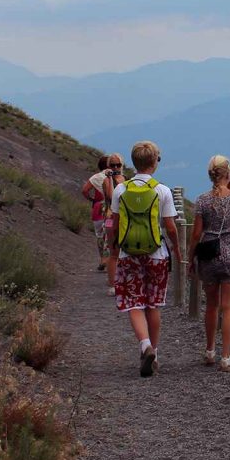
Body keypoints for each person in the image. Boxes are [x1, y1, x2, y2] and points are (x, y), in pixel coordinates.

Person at [109, 141, 180, 377]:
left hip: (129, 254)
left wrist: (113, 247)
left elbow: (115, 225)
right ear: (154, 163)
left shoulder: (121, 190)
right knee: (153, 303)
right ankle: (155, 354)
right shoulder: (163, 191)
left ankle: (144, 345)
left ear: (133, 162)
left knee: (134, 303)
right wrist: (177, 250)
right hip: (156, 253)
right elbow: (170, 227)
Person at [188, 155, 230, 372]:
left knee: (212, 306)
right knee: (229, 307)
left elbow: (197, 233)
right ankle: (226, 357)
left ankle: (209, 351)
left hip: (209, 253)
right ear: (228, 174)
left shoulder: (202, 200)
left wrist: (191, 258)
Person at [102, 153, 127, 296]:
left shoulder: (125, 179)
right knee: (114, 253)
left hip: (123, 217)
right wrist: (111, 179)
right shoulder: (107, 180)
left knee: (123, 252)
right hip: (111, 217)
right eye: (113, 165)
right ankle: (112, 285)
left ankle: (122, 281)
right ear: (108, 166)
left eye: (118, 165)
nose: (116, 168)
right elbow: (111, 197)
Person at [81, 155, 110, 271]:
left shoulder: (95, 177)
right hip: (110, 208)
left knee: (99, 235)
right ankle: (109, 258)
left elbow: (84, 190)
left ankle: (103, 258)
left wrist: (91, 199)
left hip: (98, 207)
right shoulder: (115, 177)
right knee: (110, 234)